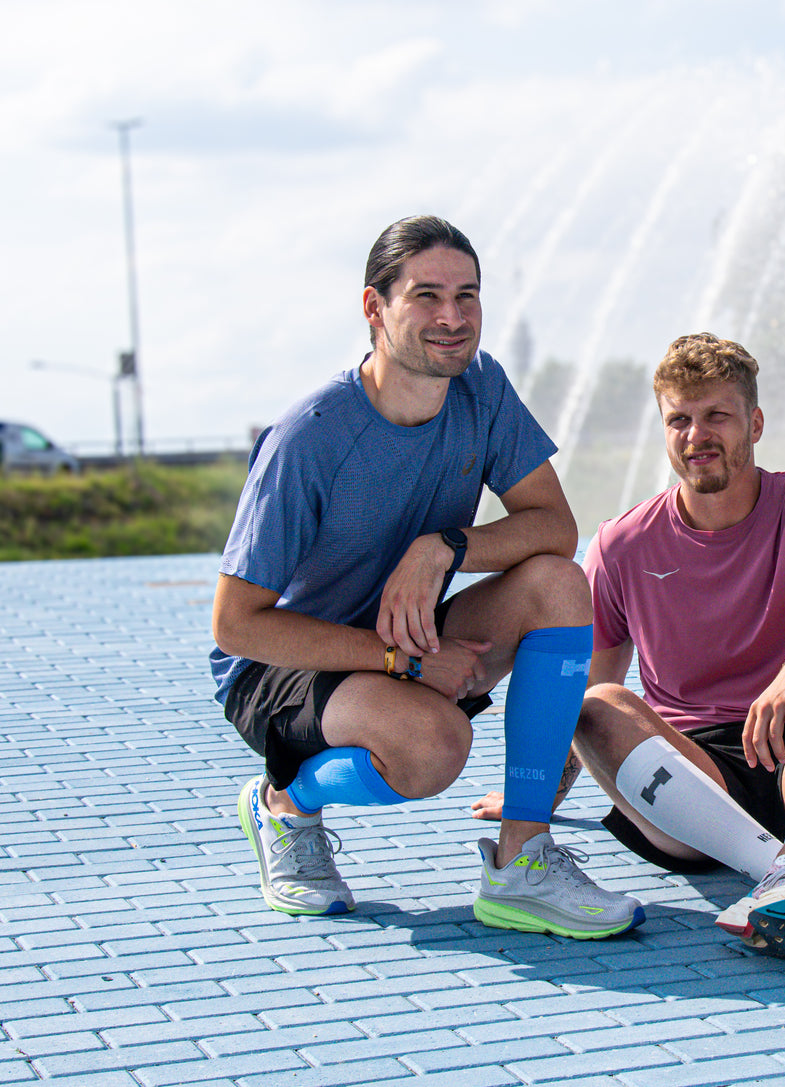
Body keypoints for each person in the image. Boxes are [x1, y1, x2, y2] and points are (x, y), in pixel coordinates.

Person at [210, 214, 642, 940]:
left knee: (558, 582)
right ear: (374, 308)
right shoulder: (310, 437)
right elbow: (236, 624)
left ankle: (521, 860)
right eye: (426, 296)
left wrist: (444, 544)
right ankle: (284, 799)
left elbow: (552, 525)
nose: (452, 317)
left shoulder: (480, 387)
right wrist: (400, 659)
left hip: (400, 634)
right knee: (435, 747)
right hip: (283, 666)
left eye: (467, 296)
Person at [476, 333, 785, 962]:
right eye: (679, 419)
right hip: (689, 780)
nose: (695, 435)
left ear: (755, 423)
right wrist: (545, 793)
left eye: (717, 416)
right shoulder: (623, 543)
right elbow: (587, 692)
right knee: (599, 701)